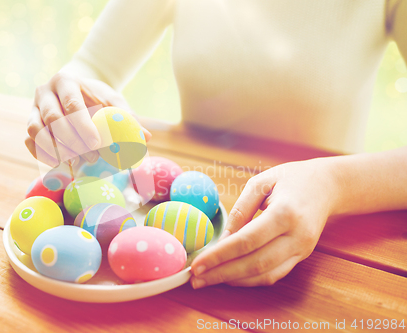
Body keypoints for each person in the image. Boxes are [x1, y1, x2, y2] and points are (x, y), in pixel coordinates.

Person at [25, 0, 407, 288]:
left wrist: (334, 183)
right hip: (199, 214)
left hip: (336, 246)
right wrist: (67, 97)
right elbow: (92, 67)